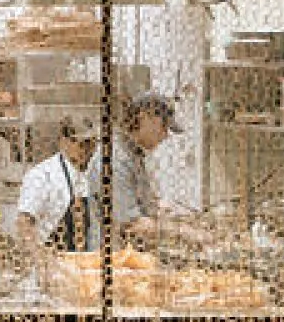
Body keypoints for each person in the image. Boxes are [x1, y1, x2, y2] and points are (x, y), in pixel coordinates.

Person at [14, 116, 101, 252]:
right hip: (55, 260)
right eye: (76, 141)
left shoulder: (96, 173)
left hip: (90, 262)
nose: (83, 148)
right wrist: (38, 256)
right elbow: (24, 222)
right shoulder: (42, 175)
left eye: (88, 142)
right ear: (63, 141)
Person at [107, 93, 181, 242]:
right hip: (113, 256)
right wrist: (182, 232)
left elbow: (143, 207)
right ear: (144, 118)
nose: (165, 135)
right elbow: (132, 224)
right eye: (163, 126)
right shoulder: (117, 159)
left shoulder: (134, 154)